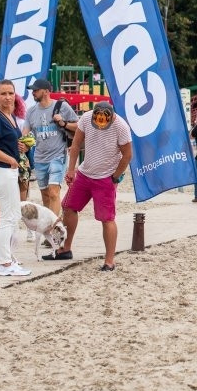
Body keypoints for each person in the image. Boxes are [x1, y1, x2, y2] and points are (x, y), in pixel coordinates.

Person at [59, 102, 132, 270]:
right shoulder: (85, 118)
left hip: (105, 178)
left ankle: (109, 261)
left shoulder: (121, 126)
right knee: (68, 207)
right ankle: (66, 248)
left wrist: (115, 176)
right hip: (85, 173)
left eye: (103, 123)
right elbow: (76, 144)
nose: (99, 126)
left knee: (106, 218)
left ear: (112, 117)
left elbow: (127, 155)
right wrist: (71, 170)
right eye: (96, 121)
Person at [0, 80, 32, 277]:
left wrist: (22, 147)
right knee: (8, 217)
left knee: (13, 216)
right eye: (3, 93)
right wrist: (11, 160)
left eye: (10, 93)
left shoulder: (11, 117)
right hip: (3, 170)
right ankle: (4, 262)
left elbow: (10, 141)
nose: (7, 97)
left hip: (10, 170)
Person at [21, 79, 78, 218]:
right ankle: (49, 225)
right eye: (32, 90)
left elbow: (78, 126)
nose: (33, 93)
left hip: (58, 155)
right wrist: (24, 143)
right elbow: (25, 134)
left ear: (46, 91)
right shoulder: (31, 111)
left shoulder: (62, 106)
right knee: (46, 196)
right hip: (40, 157)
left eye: (36, 90)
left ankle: (53, 228)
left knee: (53, 192)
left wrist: (63, 123)